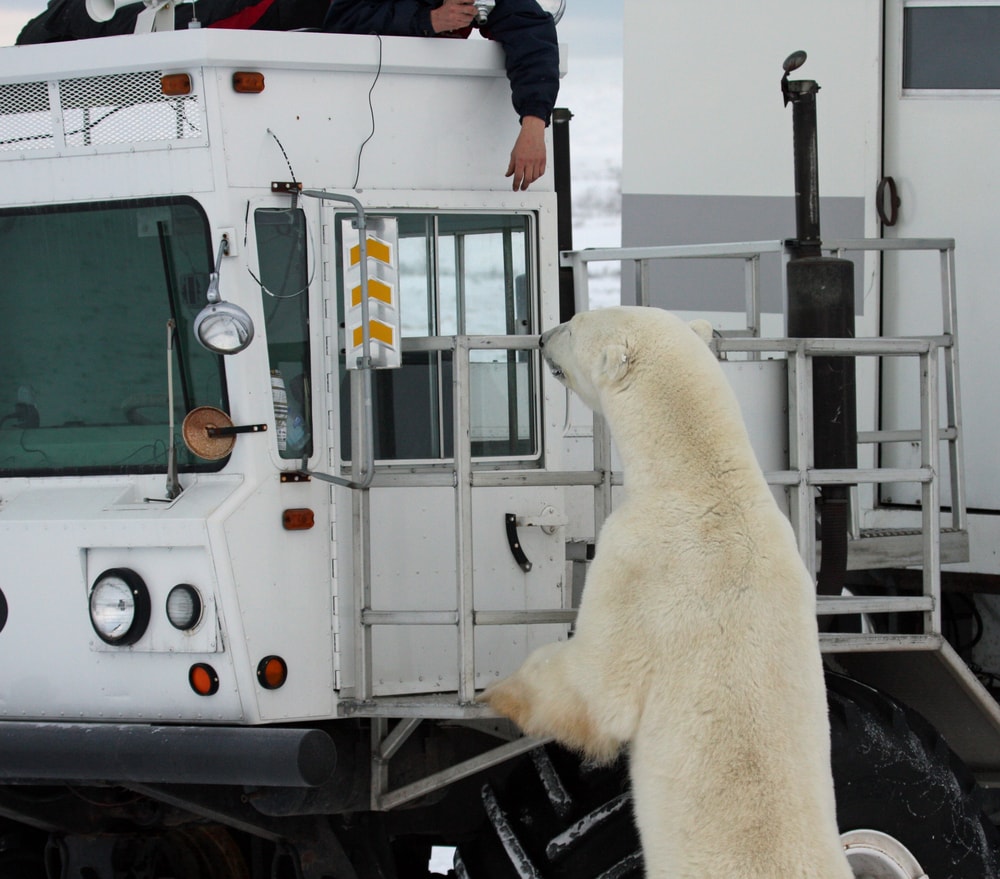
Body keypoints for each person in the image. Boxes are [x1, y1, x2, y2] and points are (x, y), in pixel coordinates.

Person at [323, 0, 559, 190]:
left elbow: (530, 31)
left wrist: (534, 125)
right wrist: (428, 20)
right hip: (351, 120)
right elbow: (342, 21)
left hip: (431, 131)